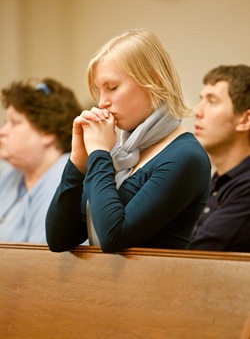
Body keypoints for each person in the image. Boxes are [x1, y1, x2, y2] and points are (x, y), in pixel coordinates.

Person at [45, 28, 211, 253]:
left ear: (154, 81)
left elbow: (114, 237)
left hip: (155, 286)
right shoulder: (120, 153)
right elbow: (59, 239)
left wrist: (99, 154)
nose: (102, 102)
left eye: (112, 88)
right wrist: (77, 163)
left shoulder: (185, 156)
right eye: (99, 91)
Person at [0, 78, 82, 243]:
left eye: (14, 123)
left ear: (47, 132)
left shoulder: (64, 180)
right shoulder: (10, 174)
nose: (3, 131)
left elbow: (39, 263)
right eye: (5, 122)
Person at [188, 64, 250, 252]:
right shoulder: (218, 182)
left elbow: (193, 260)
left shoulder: (247, 189)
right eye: (201, 100)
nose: (197, 112)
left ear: (245, 120)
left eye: (212, 101)